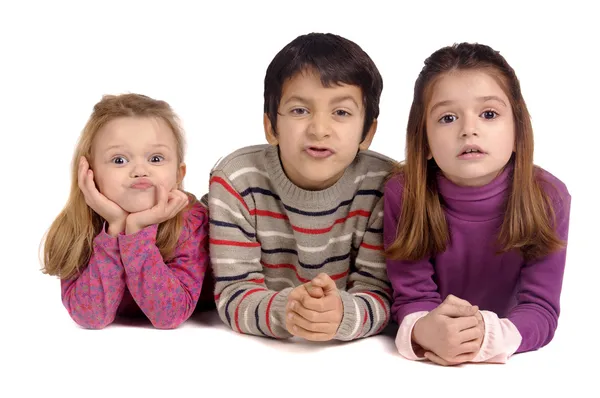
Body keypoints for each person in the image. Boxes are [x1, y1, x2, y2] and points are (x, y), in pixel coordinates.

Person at [384, 42, 571, 365]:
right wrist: (427, 331)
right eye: (448, 118)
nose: (469, 130)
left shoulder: (549, 197)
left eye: (489, 114)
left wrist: (488, 336)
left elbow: (541, 308)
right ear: (424, 140)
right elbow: (411, 297)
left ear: (517, 130)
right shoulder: (403, 193)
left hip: (501, 344)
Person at [206, 32, 395, 341]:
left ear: (367, 132)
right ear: (271, 126)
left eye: (341, 113)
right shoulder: (237, 180)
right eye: (299, 110)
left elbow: (380, 292)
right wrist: (288, 310)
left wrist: (343, 314)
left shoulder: (384, 186)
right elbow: (233, 293)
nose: (319, 129)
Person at [41, 93, 210, 329]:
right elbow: (90, 317)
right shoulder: (78, 228)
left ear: (179, 174)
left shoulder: (192, 222)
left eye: (156, 158)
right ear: (89, 172)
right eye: (119, 160)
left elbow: (170, 315)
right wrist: (115, 227)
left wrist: (136, 232)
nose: (140, 170)